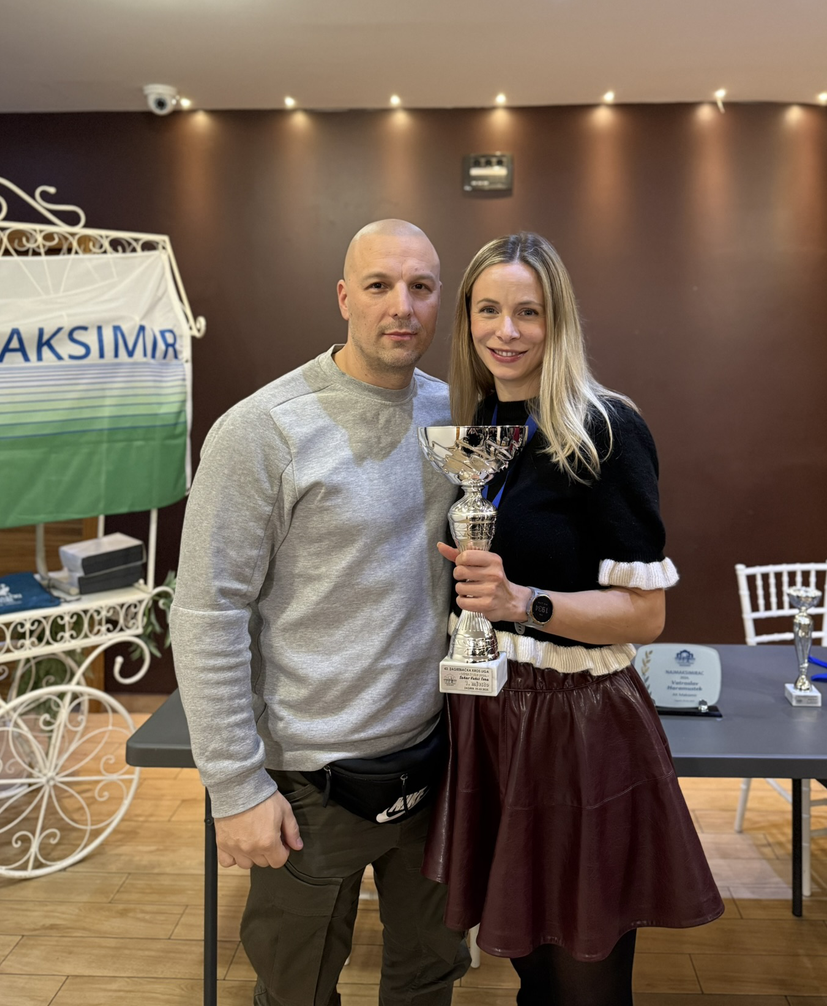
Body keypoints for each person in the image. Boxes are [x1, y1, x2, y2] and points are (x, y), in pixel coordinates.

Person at [170, 219, 470, 1006]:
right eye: (379, 285)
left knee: (429, 979)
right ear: (343, 296)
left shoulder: (455, 420)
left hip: (436, 763)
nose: (401, 305)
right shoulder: (262, 429)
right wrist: (236, 786)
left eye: (421, 287)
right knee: (296, 988)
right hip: (309, 780)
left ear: (440, 298)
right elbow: (205, 612)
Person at [423, 232, 723, 1006]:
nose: (507, 330)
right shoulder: (482, 425)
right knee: (533, 968)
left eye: (529, 311)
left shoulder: (607, 428)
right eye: (488, 309)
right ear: (467, 318)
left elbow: (646, 614)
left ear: (559, 321)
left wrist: (523, 601)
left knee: (585, 978)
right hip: (490, 718)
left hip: (578, 725)